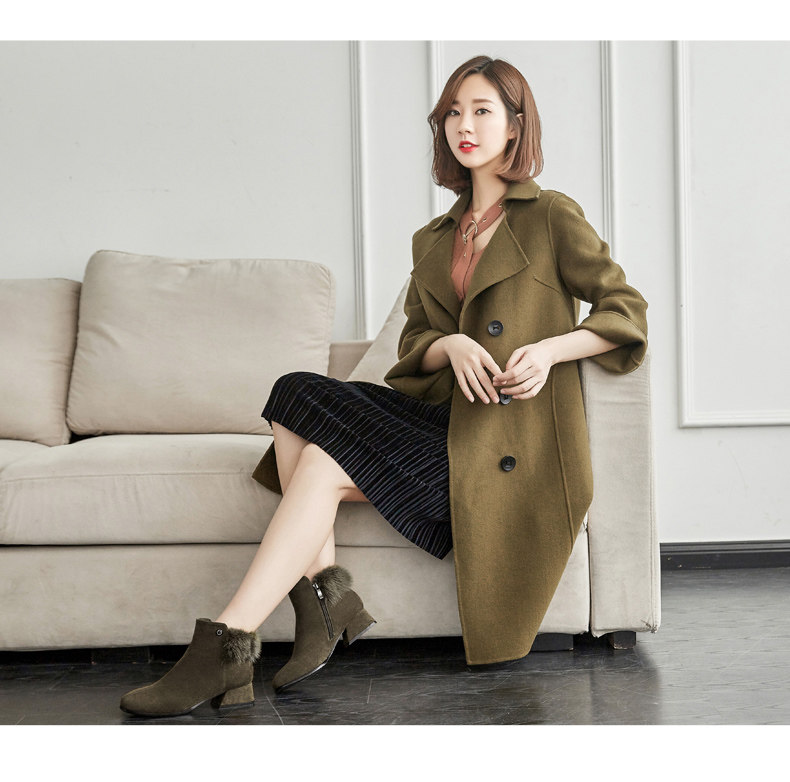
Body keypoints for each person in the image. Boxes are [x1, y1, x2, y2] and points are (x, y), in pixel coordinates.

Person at [119, 54, 648, 718]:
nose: (464, 125)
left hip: (504, 448)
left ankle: (239, 642)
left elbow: (626, 310)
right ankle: (320, 601)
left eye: (482, 111)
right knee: (294, 391)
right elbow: (414, 346)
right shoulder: (433, 238)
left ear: (515, 125)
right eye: (453, 112)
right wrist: (450, 344)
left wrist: (548, 351)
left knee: (320, 462)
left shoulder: (550, 216)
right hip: (441, 424)